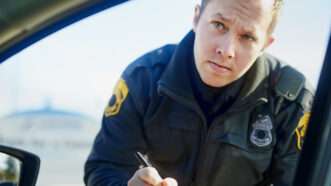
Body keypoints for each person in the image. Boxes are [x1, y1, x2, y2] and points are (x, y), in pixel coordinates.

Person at [84, 0, 314, 185]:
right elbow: (104, 167)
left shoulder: (291, 102)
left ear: (265, 44)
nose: (226, 50)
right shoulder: (145, 78)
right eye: (219, 25)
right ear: (196, 18)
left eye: (247, 37)